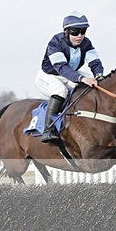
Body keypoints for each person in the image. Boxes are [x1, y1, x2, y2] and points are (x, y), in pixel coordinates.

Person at [35, 12, 104, 142]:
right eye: (75, 32)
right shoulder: (55, 42)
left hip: (69, 74)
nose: (79, 36)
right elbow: (61, 67)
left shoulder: (86, 43)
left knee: (94, 85)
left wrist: (98, 75)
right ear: (66, 32)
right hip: (49, 76)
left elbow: (95, 62)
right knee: (61, 91)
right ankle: (48, 129)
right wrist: (81, 79)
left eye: (83, 31)